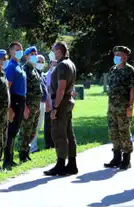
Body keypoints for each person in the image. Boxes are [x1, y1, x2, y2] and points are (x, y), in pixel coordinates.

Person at [44, 41, 78, 176]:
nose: (52, 53)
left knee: (59, 133)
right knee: (69, 133)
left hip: (61, 103)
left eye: (53, 50)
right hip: (67, 102)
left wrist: (55, 107)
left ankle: (60, 164)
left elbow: (61, 88)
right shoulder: (70, 63)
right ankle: (72, 164)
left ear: (58, 51)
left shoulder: (62, 65)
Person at [104, 46, 134, 170]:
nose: (116, 57)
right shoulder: (113, 69)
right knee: (113, 132)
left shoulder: (129, 70)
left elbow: (132, 88)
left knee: (124, 132)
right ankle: (116, 157)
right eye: (115, 54)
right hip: (112, 107)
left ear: (125, 57)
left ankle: (126, 159)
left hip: (123, 107)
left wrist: (131, 105)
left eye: (119, 54)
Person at [4, 42, 26, 169]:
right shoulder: (11, 67)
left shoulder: (19, 65)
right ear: (11, 52)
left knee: (15, 130)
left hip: (21, 100)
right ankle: (7, 159)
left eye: (21, 49)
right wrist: (9, 107)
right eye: (17, 50)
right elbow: (8, 87)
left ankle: (11, 158)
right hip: (14, 100)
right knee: (11, 131)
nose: (19, 52)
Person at [17, 46, 42, 162]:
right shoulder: (25, 70)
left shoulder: (35, 70)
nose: (35, 55)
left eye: (36, 53)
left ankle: (27, 152)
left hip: (36, 106)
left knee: (32, 131)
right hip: (28, 107)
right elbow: (23, 90)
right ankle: (22, 154)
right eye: (32, 53)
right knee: (25, 131)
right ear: (26, 56)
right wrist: (25, 107)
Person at [30, 54, 47, 153]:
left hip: (42, 103)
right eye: (38, 61)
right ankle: (30, 147)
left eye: (42, 62)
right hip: (34, 103)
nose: (40, 63)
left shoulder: (42, 74)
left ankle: (34, 145)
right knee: (32, 126)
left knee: (38, 126)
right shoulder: (33, 73)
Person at [44, 52, 58, 149]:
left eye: (56, 64)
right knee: (48, 124)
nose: (54, 65)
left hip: (57, 104)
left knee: (57, 124)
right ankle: (48, 143)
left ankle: (56, 142)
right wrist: (47, 104)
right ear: (49, 65)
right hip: (48, 104)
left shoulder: (59, 75)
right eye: (53, 64)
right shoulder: (45, 76)